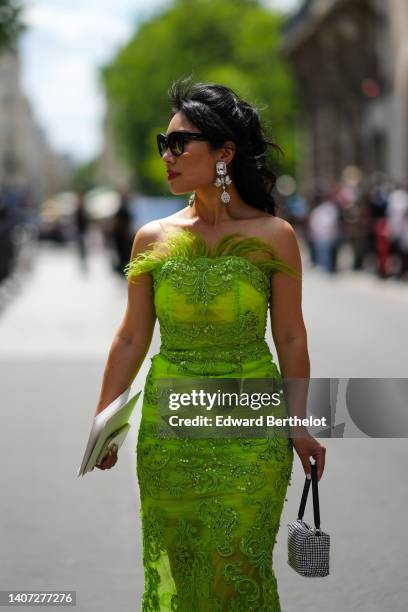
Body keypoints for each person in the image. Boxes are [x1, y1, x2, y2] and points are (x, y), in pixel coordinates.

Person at [91, 78, 326, 610]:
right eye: (163, 144)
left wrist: (299, 423)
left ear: (224, 152)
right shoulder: (152, 238)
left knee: (237, 567)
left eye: (180, 144)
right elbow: (132, 335)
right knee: (185, 570)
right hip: (170, 434)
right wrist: (104, 418)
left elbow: (290, 333)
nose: (168, 157)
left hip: (252, 432)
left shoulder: (275, 235)